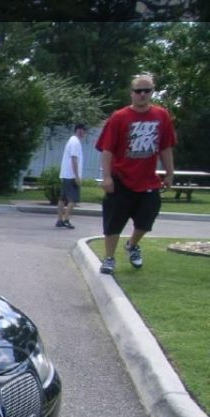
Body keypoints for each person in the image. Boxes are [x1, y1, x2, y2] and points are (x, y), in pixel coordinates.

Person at [96, 74, 176, 275]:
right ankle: (109, 258)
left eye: (147, 90)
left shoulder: (161, 115)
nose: (142, 94)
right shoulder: (119, 117)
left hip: (148, 180)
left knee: (147, 219)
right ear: (131, 93)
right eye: (138, 91)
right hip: (121, 178)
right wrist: (107, 177)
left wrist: (169, 173)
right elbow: (107, 150)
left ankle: (132, 244)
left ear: (152, 92)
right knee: (114, 220)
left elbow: (166, 147)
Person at [56, 123, 87, 229]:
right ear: (78, 130)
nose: (84, 133)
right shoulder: (75, 142)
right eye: (83, 130)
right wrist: (77, 176)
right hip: (71, 175)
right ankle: (66, 219)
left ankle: (59, 220)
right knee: (73, 199)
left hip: (65, 174)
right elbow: (74, 159)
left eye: (85, 130)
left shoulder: (72, 140)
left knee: (62, 198)